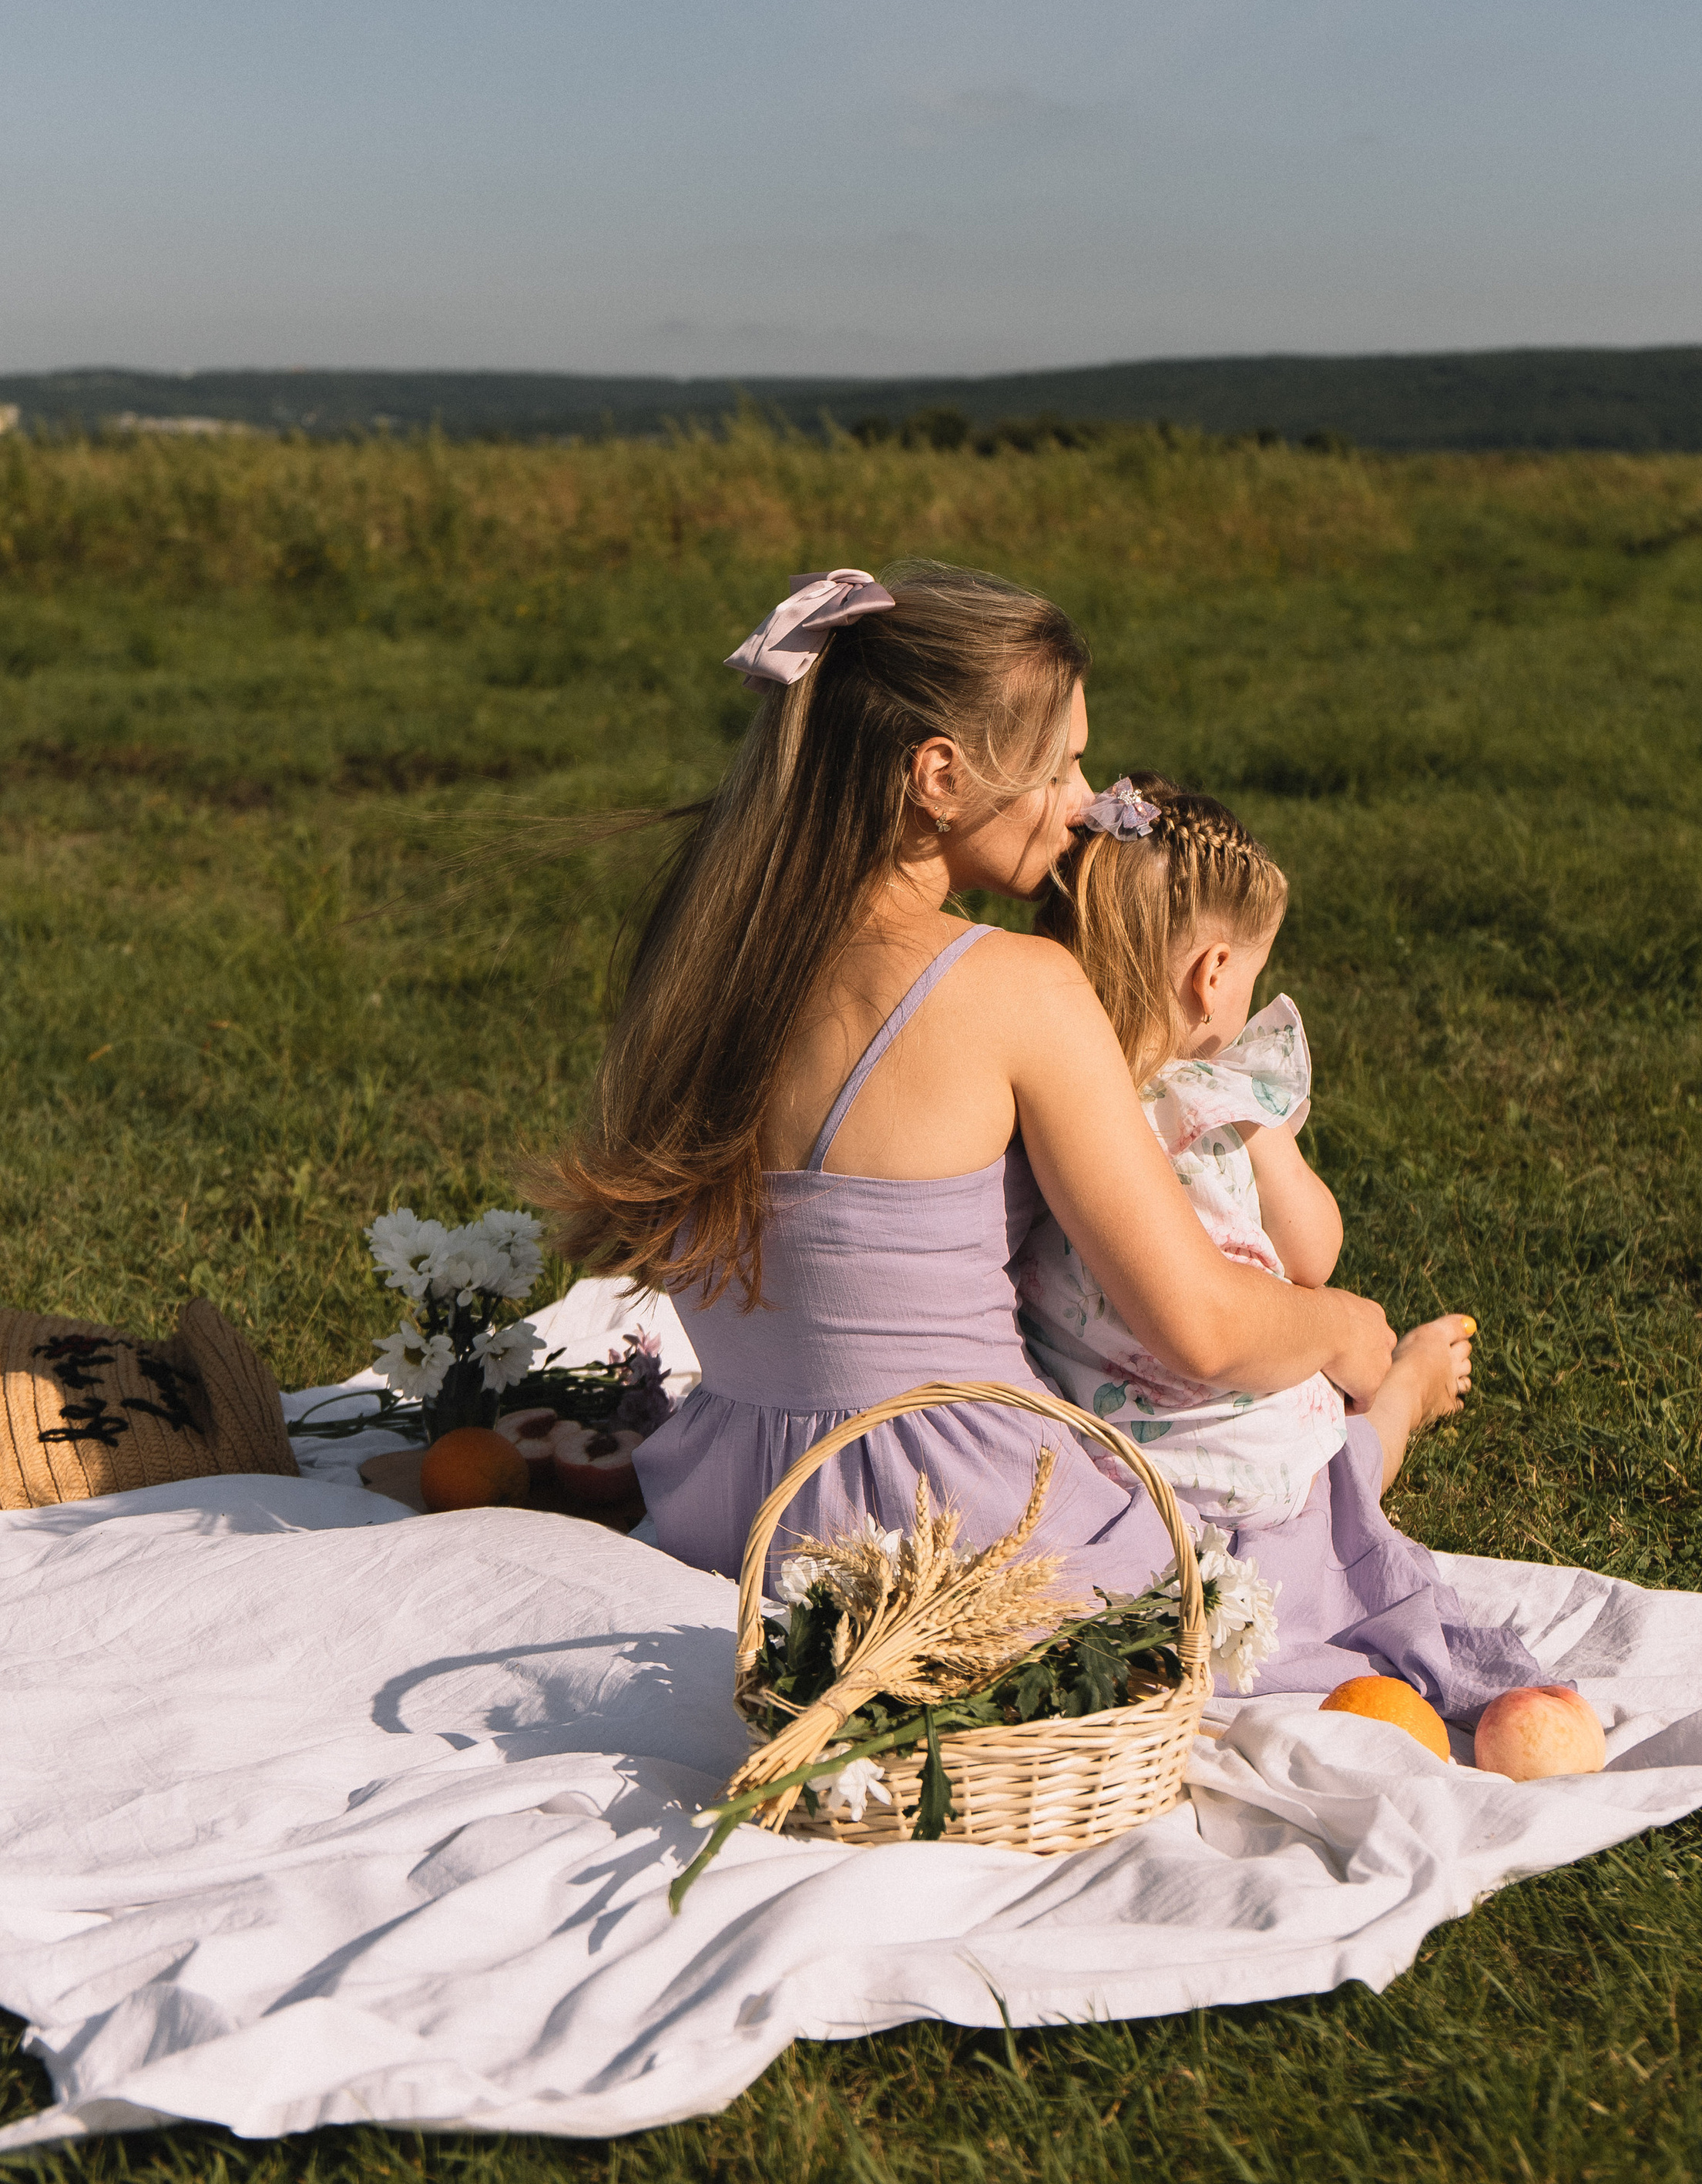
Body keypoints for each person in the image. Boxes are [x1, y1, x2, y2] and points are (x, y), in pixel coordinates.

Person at [535, 559, 1536, 1713]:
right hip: (947, 1523)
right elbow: (1202, 1330)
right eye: (1059, 764)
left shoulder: (708, 954)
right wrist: (1349, 1333)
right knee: (1265, 1558)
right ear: (941, 777)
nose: (1082, 800)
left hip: (735, 1491)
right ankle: (1402, 1404)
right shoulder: (1014, 985)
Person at [1019, 770, 1472, 1527]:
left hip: (1097, 1463)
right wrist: (1265, 1137)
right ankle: (1409, 1393)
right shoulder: (1215, 1100)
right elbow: (1312, 1254)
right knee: (1343, 1476)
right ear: (1214, 973)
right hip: (1244, 1467)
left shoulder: (1039, 1093)